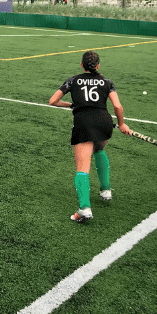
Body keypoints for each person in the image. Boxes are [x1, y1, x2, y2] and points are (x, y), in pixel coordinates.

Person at [49, 51, 131, 223]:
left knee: (82, 168)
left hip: (84, 124)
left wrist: (70, 105)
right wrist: (122, 124)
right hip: (104, 123)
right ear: (98, 65)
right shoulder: (107, 82)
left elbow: (53, 101)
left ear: (82, 65)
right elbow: (117, 106)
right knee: (99, 149)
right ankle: (105, 190)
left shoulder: (73, 80)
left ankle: (84, 209)